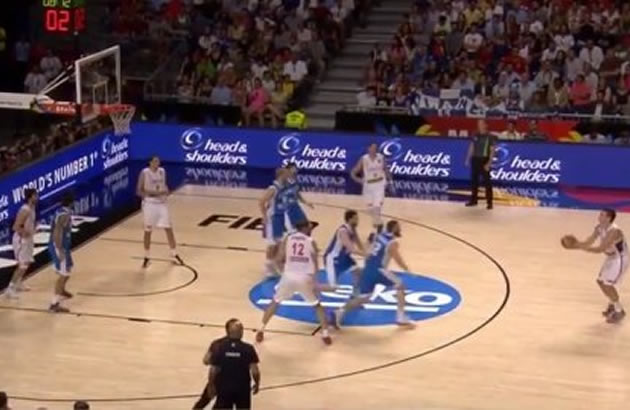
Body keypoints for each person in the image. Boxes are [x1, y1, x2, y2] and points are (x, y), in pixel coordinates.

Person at [256, 220, 332, 345]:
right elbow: (315, 265)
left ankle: (260, 329)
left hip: (289, 276)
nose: (311, 228)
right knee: (317, 306)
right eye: (309, 227)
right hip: (304, 277)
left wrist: (283, 273)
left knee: (275, 302)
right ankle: (325, 334)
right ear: (304, 228)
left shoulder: (288, 238)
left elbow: (279, 259)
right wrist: (315, 282)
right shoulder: (310, 241)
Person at [330, 220, 413, 327]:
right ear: (394, 229)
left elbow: (369, 249)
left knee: (364, 298)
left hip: (368, 269)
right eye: (398, 227)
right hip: (379, 270)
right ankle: (400, 317)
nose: (400, 229)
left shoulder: (378, 236)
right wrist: (407, 269)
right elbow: (398, 259)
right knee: (400, 285)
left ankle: (339, 312)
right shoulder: (392, 242)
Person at [569, 209, 628, 323]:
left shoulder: (614, 231)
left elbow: (600, 249)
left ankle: (619, 310)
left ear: (609, 218)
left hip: (620, 258)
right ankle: (612, 304)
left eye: (602, 215)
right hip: (611, 257)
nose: (599, 216)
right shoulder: (599, 227)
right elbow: (589, 242)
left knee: (608, 284)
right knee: (600, 282)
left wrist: (580, 247)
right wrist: (577, 244)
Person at [136, 156, 183, 268]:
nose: (158, 163)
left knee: (168, 228)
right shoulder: (145, 173)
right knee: (148, 231)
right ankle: (146, 257)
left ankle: (174, 253)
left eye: (158, 161)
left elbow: (164, 186)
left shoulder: (162, 171)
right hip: (149, 204)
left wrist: (166, 191)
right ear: (150, 162)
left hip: (161, 204)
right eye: (155, 161)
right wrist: (152, 194)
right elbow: (138, 191)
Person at [209, 318, 260, 410]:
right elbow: (255, 371)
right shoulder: (248, 348)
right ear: (241, 332)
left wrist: (211, 385)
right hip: (242, 389)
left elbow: (213, 370)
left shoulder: (220, 348)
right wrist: (257, 383)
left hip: (224, 388)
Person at [351, 143, 391, 237]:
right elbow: (354, 171)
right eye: (372, 148)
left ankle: (379, 228)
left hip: (380, 184)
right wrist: (358, 180)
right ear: (368, 149)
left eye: (375, 148)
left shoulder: (381, 157)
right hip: (368, 185)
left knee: (377, 206)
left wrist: (390, 181)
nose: (374, 150)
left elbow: (386, 169)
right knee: (370, 208)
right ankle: (379, 223)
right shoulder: (364, 159)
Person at [4, 188, 38, 299]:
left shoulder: (32, 208)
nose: (37, 197)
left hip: (28, 239)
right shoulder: (25, 210)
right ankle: (10, 289)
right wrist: (25, 233)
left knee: (27, 262)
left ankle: (18, 283)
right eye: (35, 195)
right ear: (30, 197)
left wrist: (33, 229)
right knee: (22, 265)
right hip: (21, 240)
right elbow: (15, 227)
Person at [192, 322, 233, 409]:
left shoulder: (216, 343)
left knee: (203, 402)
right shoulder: (241, 346)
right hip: (228, 382)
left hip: (217, 380)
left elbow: (206, 360)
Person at [323, 210, 365, 292]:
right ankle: (313, 288)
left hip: (345, 258)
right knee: (332, 288)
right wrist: (367, 255)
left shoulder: (353, 229)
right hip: (333, 259)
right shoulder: (343, 230)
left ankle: (355, 294)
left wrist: (368, 252)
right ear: (349, 219)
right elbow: (351, 249)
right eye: (355, 219)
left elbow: (360, 244)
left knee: (358, 272)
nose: (357, 221)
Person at [259, 168, 289, 278]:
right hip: (272, 218)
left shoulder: (284, 188)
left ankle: (273, 265)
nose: (288, 177)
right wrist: (264, 216)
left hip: (281, 218)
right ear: (281, 175)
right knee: (271, 244)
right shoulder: (273, 188)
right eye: (286, 175)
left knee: (279, 242)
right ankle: (267, 267)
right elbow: (262, 201)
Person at [48, 193, 75, 313]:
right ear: (71, 203)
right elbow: (57, 232)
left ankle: (62, 290)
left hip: (64, 246)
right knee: (63, 274)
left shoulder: (63, 212)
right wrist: (59, 249)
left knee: (68, 269)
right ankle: (54, 304)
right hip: (59, 246)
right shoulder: (64, 215)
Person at [465, 119, 496, 209]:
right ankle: (474, 200)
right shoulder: (475, 135)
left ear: (486, 125)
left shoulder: (490, 137)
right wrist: (468, 158)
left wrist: (489, 163)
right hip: (475, 159)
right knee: (474, 181)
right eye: (478, 124)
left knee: (487, 182)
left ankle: (489, 202)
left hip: (484, 160)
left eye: (481, 124)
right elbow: (472, 147)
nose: (479, 125)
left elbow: (492, 150)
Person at [283, 163, 314, 231]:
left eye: (296, 168)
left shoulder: (295, 180)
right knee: (293, 229)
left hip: (295, 205)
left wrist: (306, 202)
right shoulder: (283, 181)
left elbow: (297, 194)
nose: (296, 170)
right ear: (289, 170)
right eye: (294, 168)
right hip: (287, 208)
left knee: (307, 225)